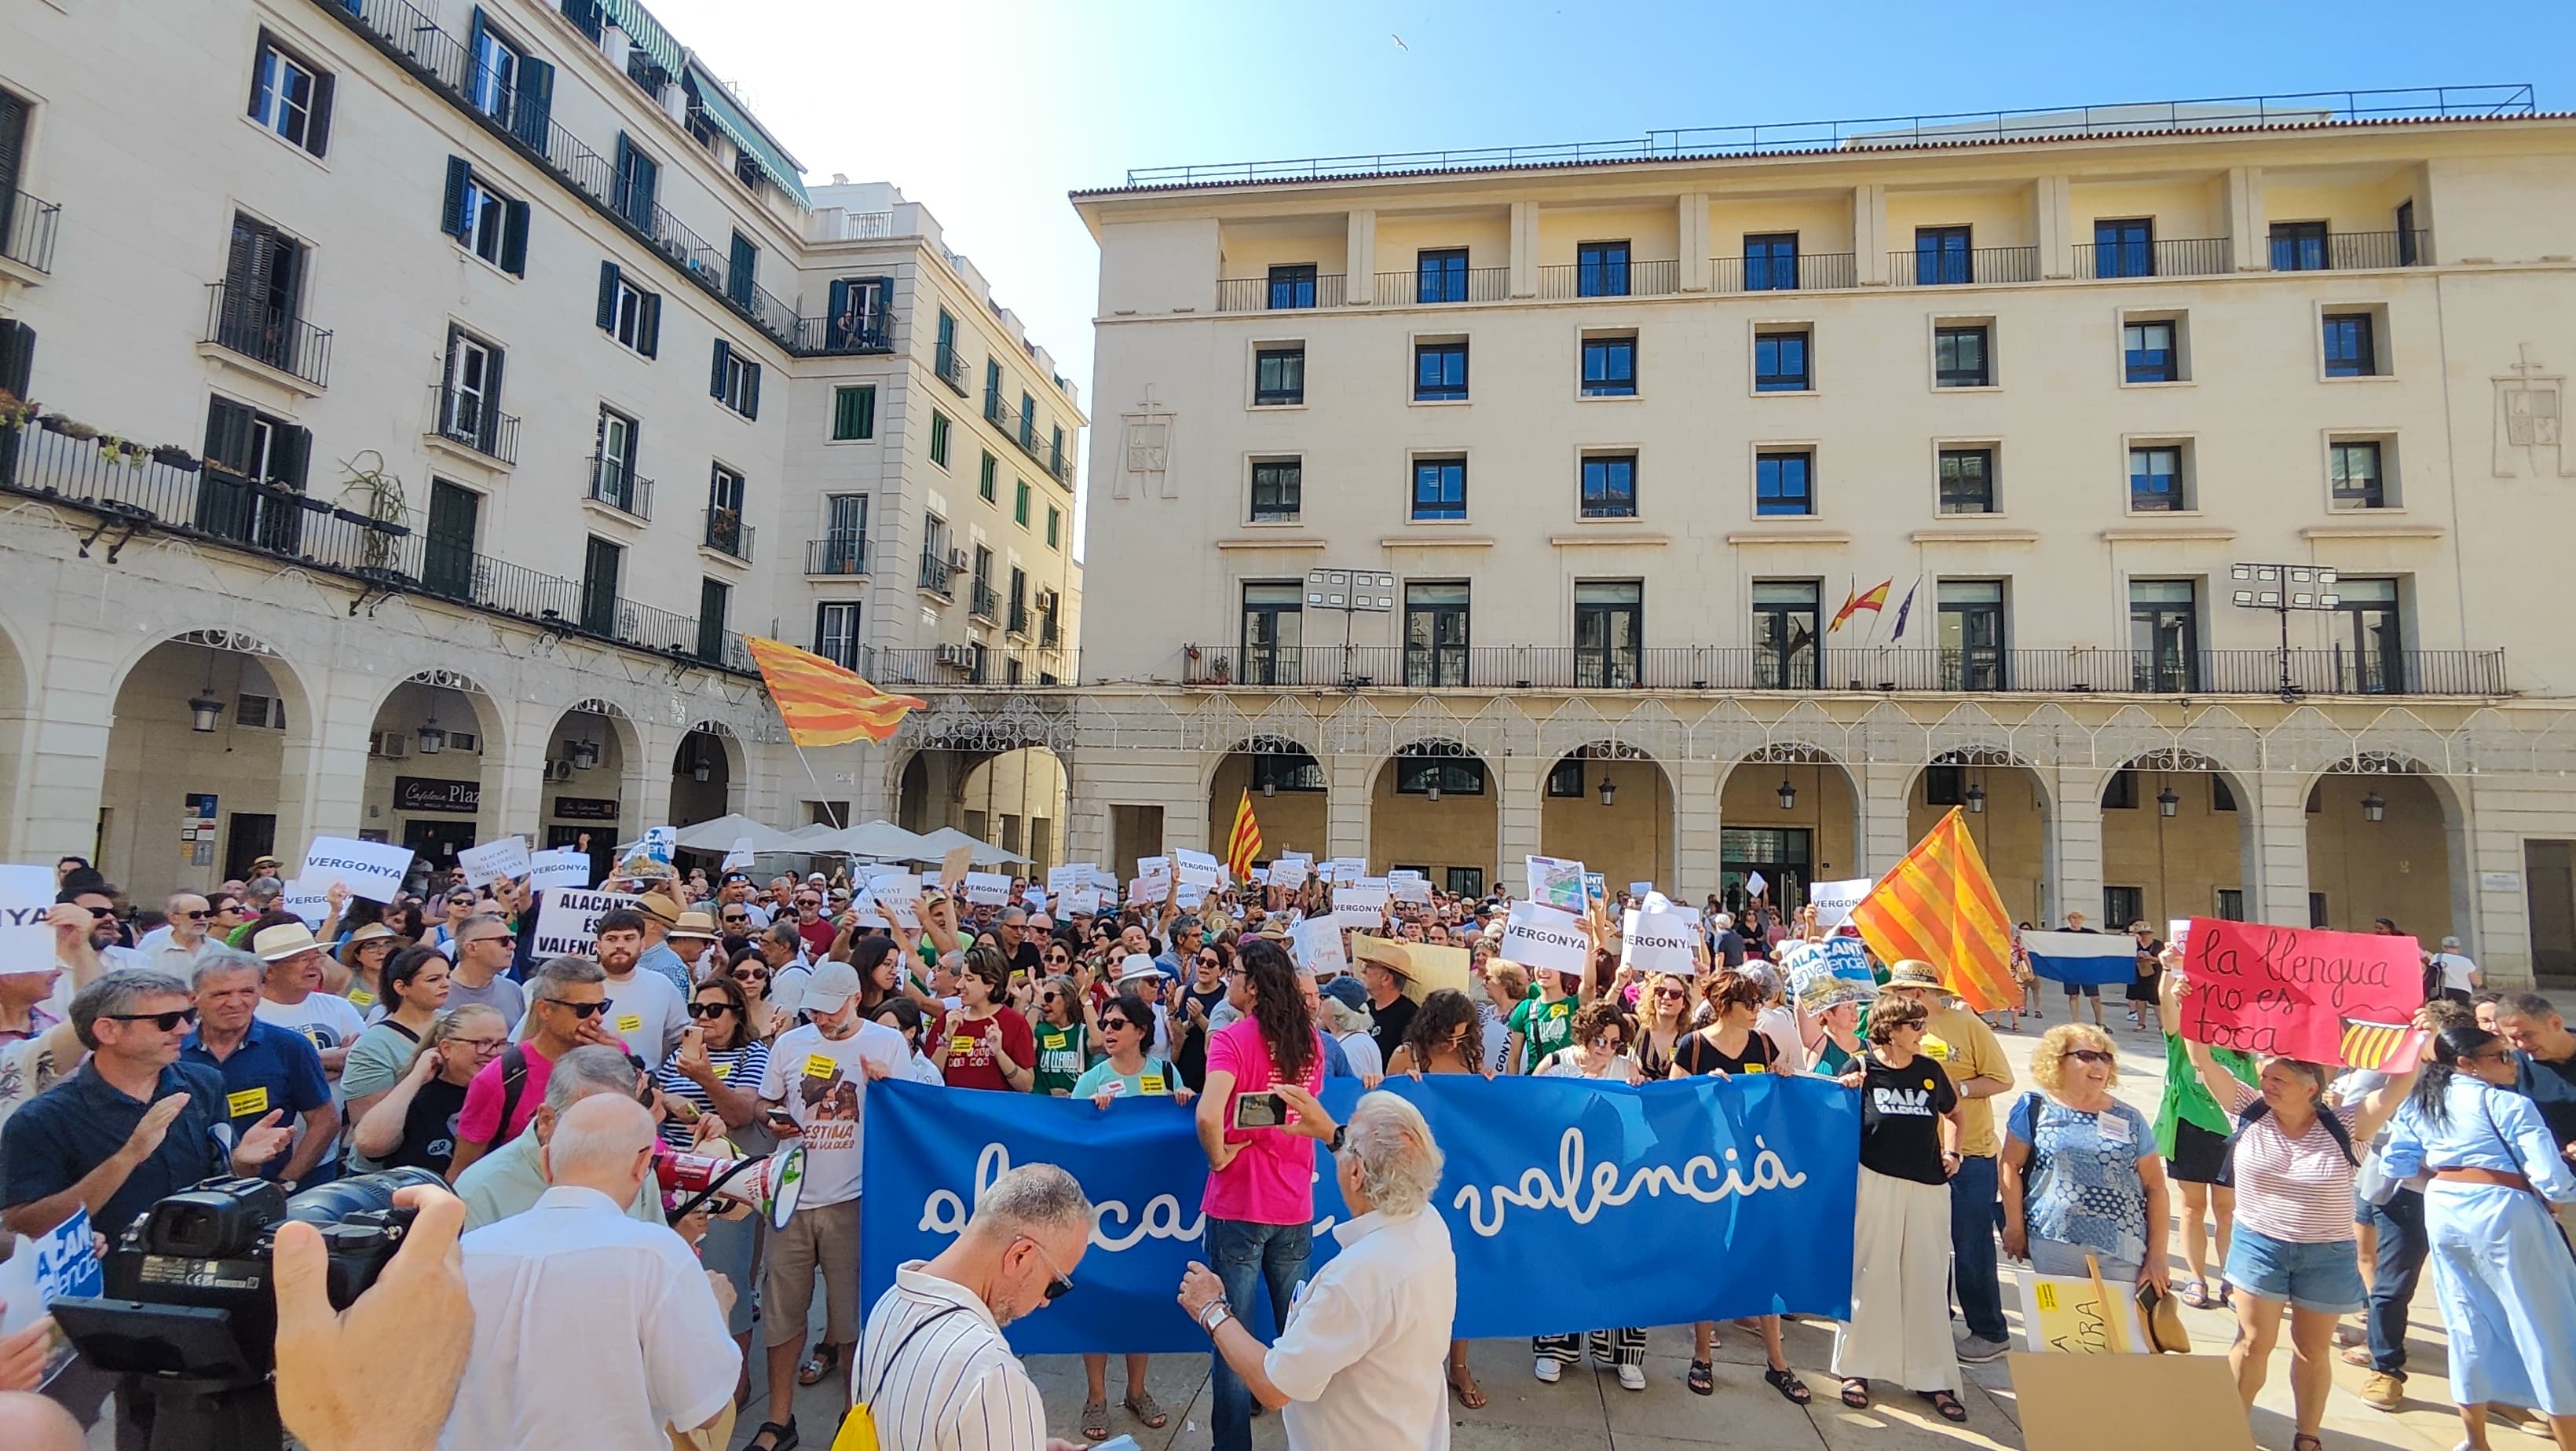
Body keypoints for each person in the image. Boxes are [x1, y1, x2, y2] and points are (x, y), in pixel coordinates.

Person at [2176, 970, 2417, 1451]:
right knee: (2251, 1342)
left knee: (2312, 1352)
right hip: (2259, 1243)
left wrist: (2413, 1035)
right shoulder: (2247, 1109)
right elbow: (2203, 1060)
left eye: (2278, 1079)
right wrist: (2189, 1006)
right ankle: (2224, 1428)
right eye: (2265, 1076)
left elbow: (2396, 1088)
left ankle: (2307, 1436)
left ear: (2311, 1087)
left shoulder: (2347, 1123)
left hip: (2325, 1253)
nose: (2266, 1084)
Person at [439, 1095, 737, 1449]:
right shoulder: (655, 1255)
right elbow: (705, 1410)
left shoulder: (464, 1254)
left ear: (547, 1162)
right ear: (643, 1164)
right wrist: (717, 1310)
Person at [1179, 1088, 1457, 1450]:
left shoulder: (1355, 1278)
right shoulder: (1428, 1223)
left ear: (1356, 1173)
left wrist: (1211, 1310)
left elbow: (1274, 1387)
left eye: (1347, 1143)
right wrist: (1331, 1133)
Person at [2380, 1024, 2576, 1449]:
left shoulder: (2421, 1101)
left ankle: (2475, 1439)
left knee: (2465, 1319)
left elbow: (2394, 1163)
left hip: (2445, 1204)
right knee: (2548, 1323)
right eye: (2500, 1056)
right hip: (2503, 1209)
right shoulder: (2509, 1104)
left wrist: (2445, 1170)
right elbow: (2555, 1182)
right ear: (2466, 1063)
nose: (2511, 1064)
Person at [0, 968, 291, 1237]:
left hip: (196, 1270)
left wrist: (241, 1164)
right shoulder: (42, 1118)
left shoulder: (204, 1083)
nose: (183, 1030)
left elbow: (218, 1182)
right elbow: (24, 1227)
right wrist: (129, 1156)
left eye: (188, 1016)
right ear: (107, 1031)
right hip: (107, 1280)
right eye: (166, 1021)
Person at [748, 959, 906, 1451]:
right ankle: (779, 1420)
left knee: (849, 1319)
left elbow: (911, 1115)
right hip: (792, 1195)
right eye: (813, 1010)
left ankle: (851, 1417)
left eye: (829, 1011)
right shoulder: (790, 1045)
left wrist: (886, 1087)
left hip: (853, 1198)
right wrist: (772, 1119)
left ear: (855, 999)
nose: (820, 1019)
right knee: (782, 1313)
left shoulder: (887, 1043)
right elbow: (763, 1102)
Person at [857, 1164, 1092, 1451]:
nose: (1045, 1301)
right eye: (1055, 1285)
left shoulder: (888, 1304)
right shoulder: (992, 1376)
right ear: (1020, 1256)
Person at [1195, 937, 1326, 1451]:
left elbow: (1209, 1115)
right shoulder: (1310, 1043)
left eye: (1234, 973)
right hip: (1294, 1205)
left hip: (1238, 1207)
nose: (1228, 981)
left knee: (1230, 1335)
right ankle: (1314, 1435)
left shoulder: (1230, 1038)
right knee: (1300, 1336)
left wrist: (1219, 1156)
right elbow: (1300, 1116)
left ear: (1252, 983)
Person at [1830, 993, 1969, 1421]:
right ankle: (1857, 1368)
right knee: (1871, 1275)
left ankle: (1932, 1376)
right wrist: (1843, 1089)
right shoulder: (1860, 1066)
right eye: (1915, 1025)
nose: (1923, 1033)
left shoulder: (1930, 1070)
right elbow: (1830, 1116)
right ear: (1890, 1029)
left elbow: (1956, 1114)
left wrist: (1954, 1153)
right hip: (1874, 1180)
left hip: (1927, 1184)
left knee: (1926, 1279)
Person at [1667, 970, 1806, 1399]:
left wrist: (1783, 1074)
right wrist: (1702, 1088)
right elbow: (1670, 1100)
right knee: (1710, 1259)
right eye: (1750, 1004)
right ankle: (1703, 1355)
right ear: (1727, 1006)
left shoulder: (1764, 1044)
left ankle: (1777, 1362)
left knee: (1762, 1258)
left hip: (1755, 1167)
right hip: (1706, 1170)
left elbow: (1783, 1094)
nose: (1757, 1010)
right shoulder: (1693, 1045)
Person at [1875, 957, 2015, 1363]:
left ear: (1919, 994)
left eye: (1899, 992)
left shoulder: (1969, 1026)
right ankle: (1932, 1323)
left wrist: (1959, 1091)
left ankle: (1989, 1330)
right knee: (1924, 1247)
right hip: (1915, 1155)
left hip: (1969, 1154)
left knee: (1971, 1245)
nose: (1895, 999)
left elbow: (2003, 1078)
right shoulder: (1893, 1030)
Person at [1067, 993, 1187, 1439]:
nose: (1110, 1031)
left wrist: (1184, 1100)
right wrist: (1090, 1118)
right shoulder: (1091, 1079)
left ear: (1141, 1031)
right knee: (1097, 1302)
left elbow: (1187, 1129)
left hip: (1151, 1213)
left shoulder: (1166, 1075)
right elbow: (1071, 1137)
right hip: (1100, 1212)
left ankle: (1137, 1391)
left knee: (1141, 1300)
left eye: (1118, 1023)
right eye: (1106, 1023)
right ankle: (1095, 1397)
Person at [1531, 1001, 1655, 1392]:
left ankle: (1624, 1355)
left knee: (1619, 1263)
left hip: (1614, 1184)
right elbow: (1526, 1111)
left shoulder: (1626, 1069)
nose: (1606, 1047)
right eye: (1600, 1038)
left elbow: (1645, 1116)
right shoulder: (1555, 1063)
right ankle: (1553, 1348)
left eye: (1615, 1042)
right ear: (1584, 1033)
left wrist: (1643, 1091)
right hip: (1561, 1182)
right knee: (1560, 1261)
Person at [1999, 1023, 2168, 1285]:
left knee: (2120, 1326)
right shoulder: (2035, 1107)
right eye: (2087, 1057)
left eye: (2105, 1058)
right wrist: (2015, 1226)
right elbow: (2010, 1165)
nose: (2099, 1066)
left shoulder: (2130, 1118)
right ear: (2057, 1061)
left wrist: (2158, 1256)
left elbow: (2156, 1186)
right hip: (2054, 1241)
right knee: (2060, 1325)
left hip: (2122, 1247)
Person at [452, 1044, 667, 1230]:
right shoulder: (480, 1190)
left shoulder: (635, 1167)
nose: (607, 1142)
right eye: (589, 1127)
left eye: (619, 1126)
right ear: (546, 1120)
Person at [448, 955, 621, 1179]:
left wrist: (621, 1066)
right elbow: (464, 1170)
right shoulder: (502, 1077)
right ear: (545, 1010)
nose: (597, 1018)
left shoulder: (615, 1054)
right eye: (584, 1009)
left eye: (602, 1007)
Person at [179, 948, 339, 1186]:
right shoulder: (173, 1050)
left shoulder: (289, 1047)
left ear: (260, 994)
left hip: (262, 1192)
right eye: (221, 994)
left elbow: (325, 1120)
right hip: (188, 1192)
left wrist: (285, 1183)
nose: (235, 1002)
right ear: (194, 999)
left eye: (246, 992)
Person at [2153, 953, 2255, 1308]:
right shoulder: (2185, 1041)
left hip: (2233, 1136)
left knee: (2227, 1209)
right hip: (2190, 1129)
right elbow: (2167, 1007)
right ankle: (2197, 1277)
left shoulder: (2245, 1050)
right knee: (2193, 1208)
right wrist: (2168, 972)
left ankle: (2230, 1279)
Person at [350, 1005, 507, 1175]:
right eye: (483, 1043)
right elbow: (370, 1144)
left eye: (502, 1044)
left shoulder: (511, 1089)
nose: (495, 1053)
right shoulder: (422, 1097)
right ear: (447, 1048)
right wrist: (417, 1076)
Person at [339, 945, 454, 1160]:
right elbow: (367, 1128)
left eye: (447, 976)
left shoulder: (456, 1022)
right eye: (433, 979)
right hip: (391, 1166)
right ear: (401, 987)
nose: (445, 984)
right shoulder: (373, 1045)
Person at [2494, 991, 2576, 1237]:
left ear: (2555, 1023)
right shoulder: (2514, 1068)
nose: (2521, 1045)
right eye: (2513, 1038)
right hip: (2556, 1191)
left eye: (2527, 1034)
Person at [251, 923, 367, 1081]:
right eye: (302, 959)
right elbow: (259, 1070)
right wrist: (332, 1059)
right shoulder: (248, 1014)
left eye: (317, 957)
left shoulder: (338, 1006)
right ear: (269, 971)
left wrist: (291, 1065)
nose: (313, 965)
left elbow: (364, 1059)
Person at [935, 946, 1037, 1092]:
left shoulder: (1014, 1023)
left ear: (989, 984)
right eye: (961, 977)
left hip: (994, 1112)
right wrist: (946, 1039)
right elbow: (929, 1080)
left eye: (969, 979)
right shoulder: (948, 1020)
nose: (959, 985)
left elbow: (1027, 1085)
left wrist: (999, 1053)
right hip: (955, 1111)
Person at [591, 908, 689, 1059]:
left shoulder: (662, 986)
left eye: (629, 938)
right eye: (612, 939)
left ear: (642, 944)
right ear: (598, 946)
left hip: (648, 1079)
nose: (620, 945)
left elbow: (684, 1037)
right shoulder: (581, 987)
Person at [443, 914, 525, 1033]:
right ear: (472, 948)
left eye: (512, 939)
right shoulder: (439, 992)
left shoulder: (513, 990)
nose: (512, 946)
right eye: (504, 940)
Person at [1505, 961, 1582, 1074]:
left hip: (1570, 1083)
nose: (1542, 970)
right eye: (1538, 965)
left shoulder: (1576, 1004)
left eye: (1550, 965)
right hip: (1536, 1084)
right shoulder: (1525, 1008)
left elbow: (1590, 987)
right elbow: (1514, 1059)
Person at [1354, 943, 1418, 1066]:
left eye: (1369, 966)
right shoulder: (1365, 1008)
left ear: (1386, 979)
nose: (1363, 971)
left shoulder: (1410, 1017)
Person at [1028, 974, 1089, 1097]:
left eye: (1048, 997)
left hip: (1074, 1104)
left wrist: (1086, 1000)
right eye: (1042, 997)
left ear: (1067, 999)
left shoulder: (1081, 1031)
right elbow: (1024, 1044)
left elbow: (1098, 1042)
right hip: (1042, 1103)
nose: (1044, 1003)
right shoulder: (1039, 1031)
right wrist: (1035, 1002)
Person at [2058, 910, 2107, 1027]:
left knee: (2095, 997)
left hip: (2088, 968)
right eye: (2073, 918)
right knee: (2073, 995)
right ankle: (2075, 1023)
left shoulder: (2090, 933)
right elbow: (2044, 937)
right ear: (2069, 920)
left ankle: (2100, 1022)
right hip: (2070, 968)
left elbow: (2107, 940)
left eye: (2079, 918)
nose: (2076, 920)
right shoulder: (2062, 933)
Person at [2428, 936, 2483, 1005]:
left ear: (2443, 947)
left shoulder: (2437, 957)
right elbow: (2477, 983)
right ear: (2459, 948)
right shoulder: (2466, 962)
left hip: (2442, 992)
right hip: (2462, 993)